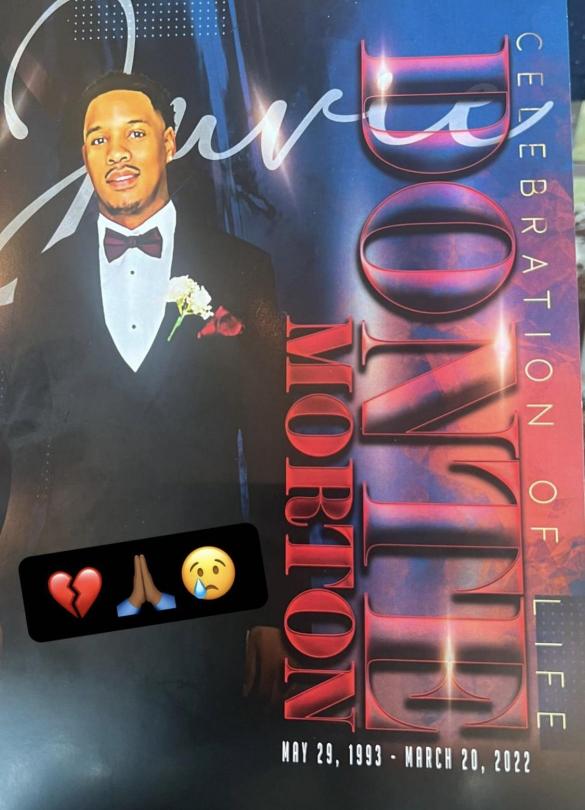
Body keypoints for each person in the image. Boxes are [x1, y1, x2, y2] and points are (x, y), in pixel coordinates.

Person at [0, 72, 286, 806]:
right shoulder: (41, 277)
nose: (117, 151)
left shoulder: (241, 271)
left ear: (169, 141)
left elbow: (271, 446)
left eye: (134, 132)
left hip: (203, 595)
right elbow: (22, 446)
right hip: (72, 602)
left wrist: (269, 609)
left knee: (198, 786)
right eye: (98, 138)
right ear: (84, 157)